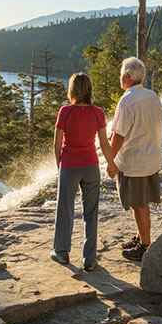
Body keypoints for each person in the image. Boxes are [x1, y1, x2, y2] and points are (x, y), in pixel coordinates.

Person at [52, 72, 118, 272]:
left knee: (65, 210)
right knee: (91, 213)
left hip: (70, 167)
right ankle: (89, 259)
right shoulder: (97, 113)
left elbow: (56, 144)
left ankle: (62, 252)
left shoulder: (65, 112)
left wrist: (60, 165)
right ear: (89, 90)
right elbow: (104, 143)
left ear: (72, 90)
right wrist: (111, 164)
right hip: (91, 167)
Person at [107, 57, 162, 262]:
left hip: (134, 162)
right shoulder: (152, 96)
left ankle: (145, 245)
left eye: (122, 72)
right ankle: (141, 237)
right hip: (152, 158)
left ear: (128, 76)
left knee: (138, 204)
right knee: (142, 201)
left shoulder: (126, 101)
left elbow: (118, 135)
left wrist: (110, 161)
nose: (120, 76)